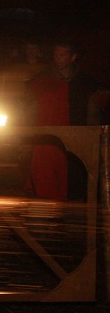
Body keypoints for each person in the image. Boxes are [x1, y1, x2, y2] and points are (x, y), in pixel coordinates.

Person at [24, 41, 100, 200]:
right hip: (47, 141)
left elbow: (94, 112)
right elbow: (29, 111)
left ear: (73, 57)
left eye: (63, 54)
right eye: (56, 54)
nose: (58, 58)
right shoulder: (39, 82)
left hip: (76, 141)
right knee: (46, 186)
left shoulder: (86, 84)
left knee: (75, 189)